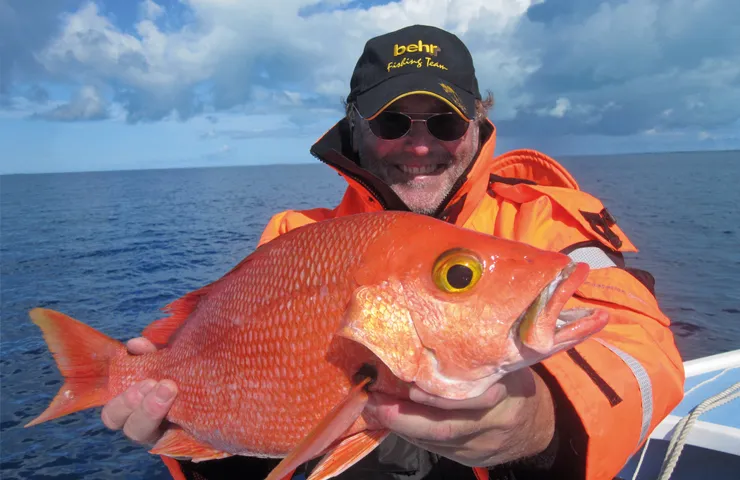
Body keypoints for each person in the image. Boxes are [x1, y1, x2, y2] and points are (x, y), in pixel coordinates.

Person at [101, 25, 685, 480]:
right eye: (393, 120)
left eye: (447, 120)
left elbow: (642, 353)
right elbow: (268, 421)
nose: (421, 142)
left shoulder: (547, 225)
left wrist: (540, 422)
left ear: (480, 122)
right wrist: (185, 433)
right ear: (355, 127)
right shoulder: (294, 237)